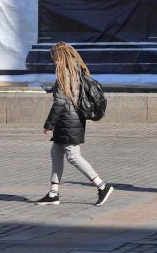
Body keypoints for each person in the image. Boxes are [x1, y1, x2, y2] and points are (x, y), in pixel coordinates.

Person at [36, 41, 114, 206]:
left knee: (73, 155)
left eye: (54, 58)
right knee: (56, 152)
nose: (53, 61)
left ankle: (102, 186)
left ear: (59, 56)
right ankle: (53, 193)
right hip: (70, 120)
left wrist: (48, 124)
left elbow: (60, 102)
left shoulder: (65, 73)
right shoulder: (75, 70)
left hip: (68, 121)